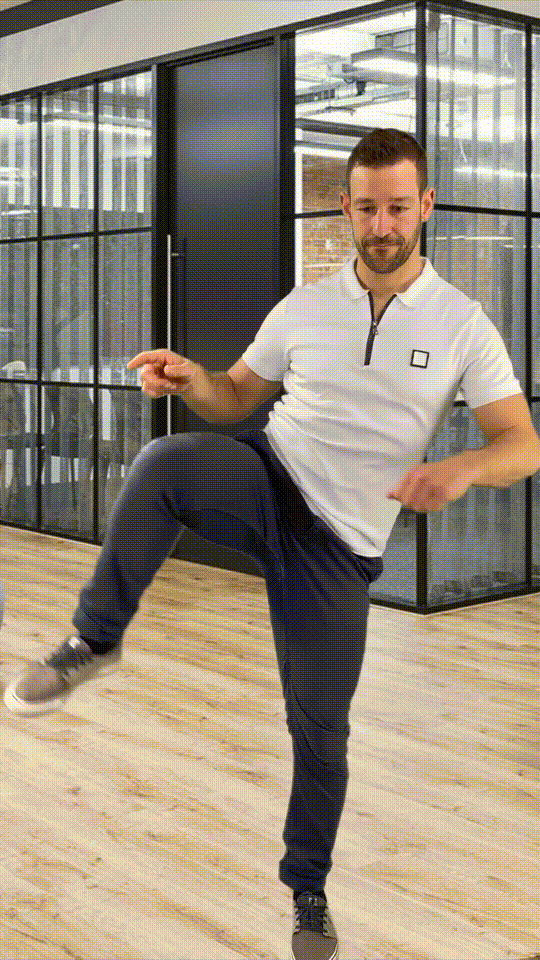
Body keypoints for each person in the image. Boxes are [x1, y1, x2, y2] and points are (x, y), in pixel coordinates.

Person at [4, 128, 540, 960]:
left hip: (341, 545)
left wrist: (464, 468)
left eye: (399, 208)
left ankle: (308, 890)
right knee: (163, 463)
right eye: (368, 207)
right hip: (270, 474)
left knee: (321, 731)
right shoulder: (304, 306)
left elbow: (522, 444)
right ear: (346, 207)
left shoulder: (463, 325)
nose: (383, 225)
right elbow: (234, 398)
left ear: (426, 207)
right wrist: (195, 379)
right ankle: (95, 640)